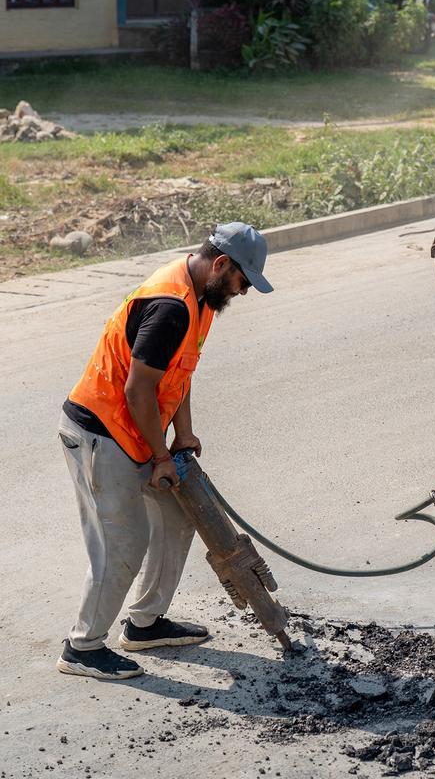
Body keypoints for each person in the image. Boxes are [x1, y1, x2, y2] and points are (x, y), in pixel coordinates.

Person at [56, 222, 273, 680]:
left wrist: (184, 435)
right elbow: (138, 392)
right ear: (221, 265)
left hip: (139, 430)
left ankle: (144, 624)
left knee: (177, 519)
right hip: (102, 432)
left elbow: (180, 372)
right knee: (122, 541)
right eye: (242, 281)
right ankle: (83, 646)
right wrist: (159, 457)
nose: (243, 292)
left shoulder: (202, 299)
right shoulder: (170, 306)